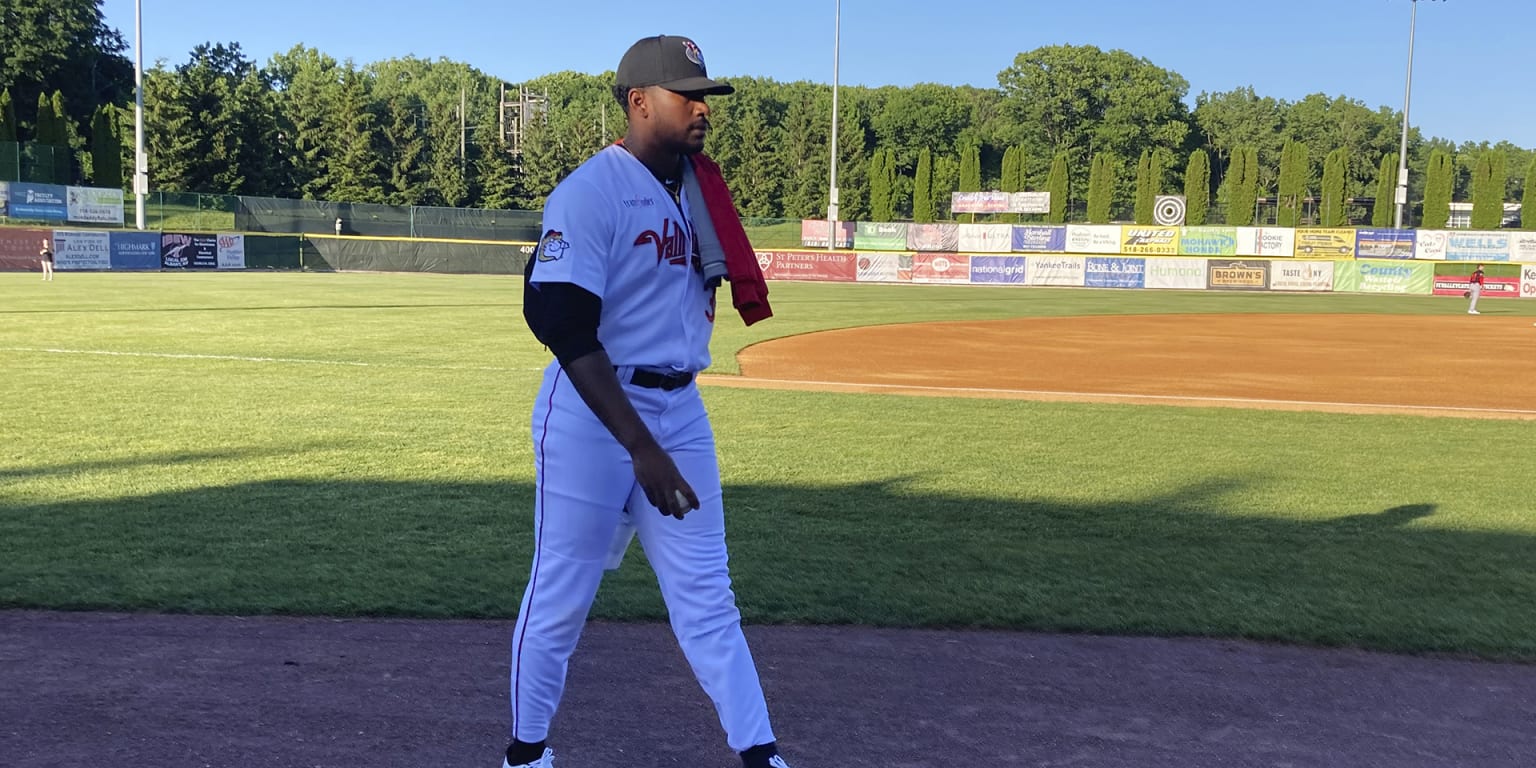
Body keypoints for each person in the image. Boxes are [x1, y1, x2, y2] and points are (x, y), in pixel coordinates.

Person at [505, 34, 790, 768]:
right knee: (560, 599)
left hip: (680, 409)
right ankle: (526, 754)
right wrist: (640, 447)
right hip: (592, 416)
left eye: (705, 96)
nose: (702, 109)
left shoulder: (698, 190)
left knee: (708, 599)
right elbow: (561, 324)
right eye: (686, 95)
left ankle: (760, 755)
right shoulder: (590, 191)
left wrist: (660, 439)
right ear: (638, 102)